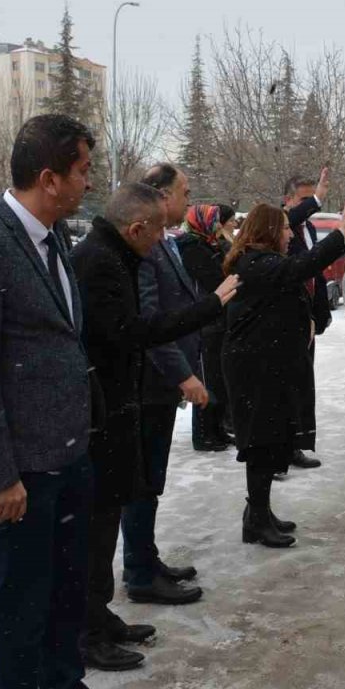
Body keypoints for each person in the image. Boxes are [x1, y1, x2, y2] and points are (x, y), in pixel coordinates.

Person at [0, 114, 143, 689]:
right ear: (49, 177)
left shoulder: (55, 237)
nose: (91, 180)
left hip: (67, 452)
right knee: (21, 599)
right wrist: (1, 475)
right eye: (83, 169)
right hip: (17, 469)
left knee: (65, 585)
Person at [72, 181, 236, 662]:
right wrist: (211, 306)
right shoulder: (102, 261)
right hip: (113, 405)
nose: (164, 238)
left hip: (120, 401)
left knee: (117, 506)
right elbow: (134, 331)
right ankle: (90, 630)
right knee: (104, 518)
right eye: (160, 230)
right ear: (137, 226)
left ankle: (99, 617)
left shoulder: (115, 254)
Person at [223, 195, 345, 548]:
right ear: (268, 231)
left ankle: (260, 513)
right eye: (284, 229)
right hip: (255, 368)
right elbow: (300, 268)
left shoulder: (264, 261)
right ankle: (256, 518)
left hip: (269, 364)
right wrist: (340, 235)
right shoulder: (256, 264)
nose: (289, 235)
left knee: (272, 438)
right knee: (260, 442)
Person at [120, 166, 218, 608]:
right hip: (148, 384)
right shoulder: (146, 249)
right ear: (161, 196)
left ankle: (147, 557)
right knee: (140, 481)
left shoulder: (169, 244)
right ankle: (139, 572)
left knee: (151, 479)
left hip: (160, 384)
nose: (189, 198)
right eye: (184, 192)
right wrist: (182, 373)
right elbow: (149, 323)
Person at [281, 170, 335, 474]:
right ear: (288, 200)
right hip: (284, 322)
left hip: (307, 321)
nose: (309, 208)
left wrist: (320, 311)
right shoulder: (277, 225)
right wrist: (317, 197)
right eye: (303, 200)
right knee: (284, 389)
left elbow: (315, 270)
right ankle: (278, 453)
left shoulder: (309, 228)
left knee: (303, 386)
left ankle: (296, 445)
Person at [178, 203, 236, 450]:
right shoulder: (193, 247)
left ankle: (217, 429)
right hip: (206, 321)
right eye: (216, 221)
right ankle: (204, 434)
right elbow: (214, 279)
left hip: (217, 318)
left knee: (218, 378)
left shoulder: (210, 244)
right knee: (208, 378)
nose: (221, 226)